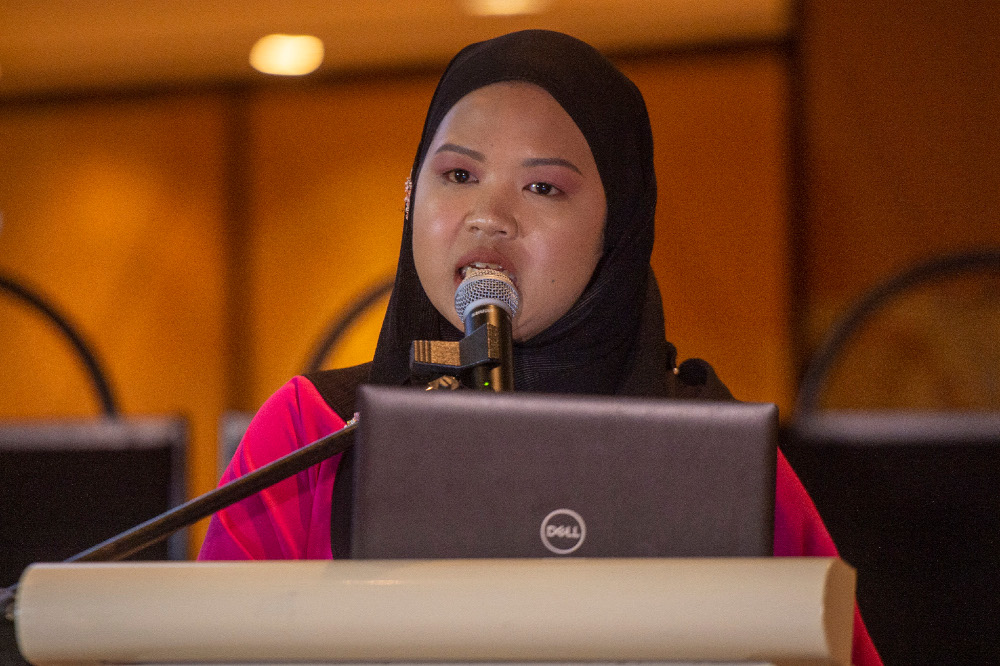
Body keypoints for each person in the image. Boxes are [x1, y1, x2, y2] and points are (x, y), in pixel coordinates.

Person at [198, 30, 881, 665]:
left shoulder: (719, 462)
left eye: (543, 187)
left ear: (619, 230)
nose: (488, 217)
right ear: (410, 198)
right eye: (458, 176)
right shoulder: (312, 433)